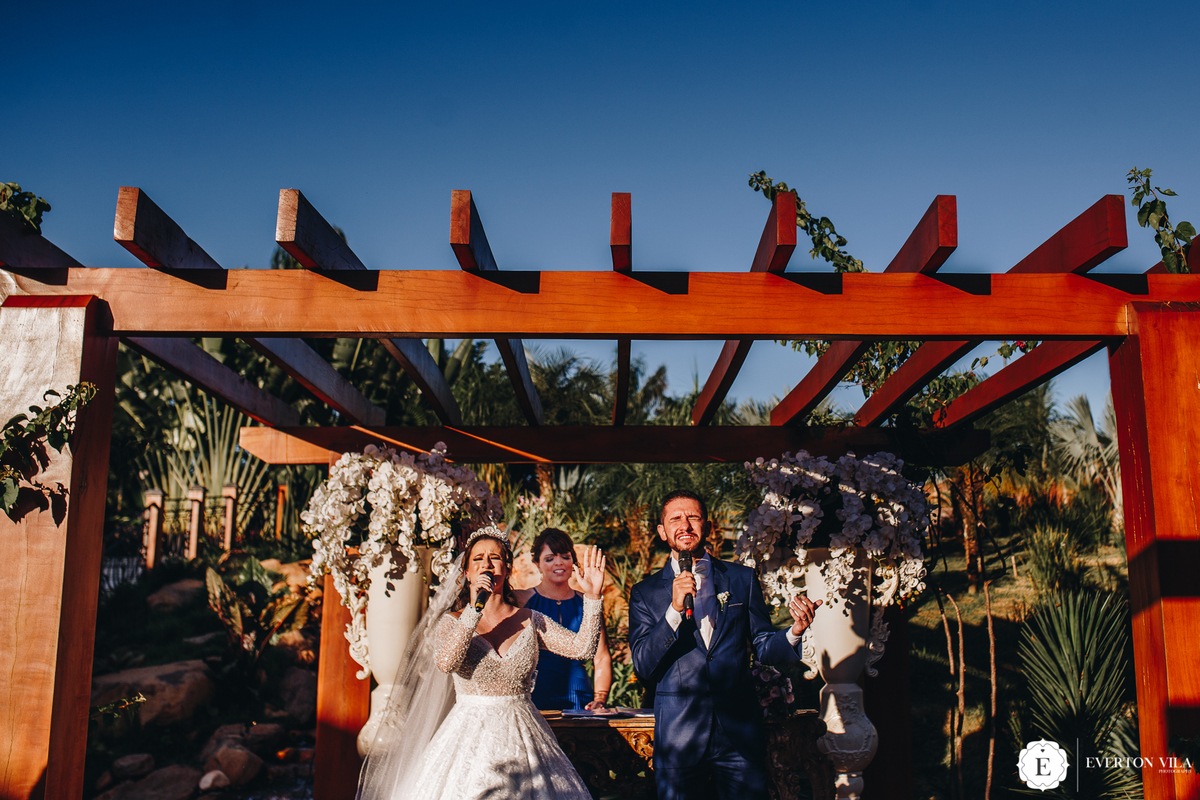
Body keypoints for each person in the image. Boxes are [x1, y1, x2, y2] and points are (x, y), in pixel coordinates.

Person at [357, 526, 607, 800]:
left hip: (523, 734)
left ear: (508, 568)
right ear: (466, 573)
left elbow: (583, 648)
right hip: (467, 740)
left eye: (495, 558)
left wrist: (593, 597)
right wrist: (475, 608)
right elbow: (446, 662)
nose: (487, 564)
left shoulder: (531, 619)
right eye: (478, 559)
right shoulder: (451, 621)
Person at [628, 490, 821, 800]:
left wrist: (795, 631)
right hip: (679, 735)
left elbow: (763, 646)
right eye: (675, 518)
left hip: (738, 733)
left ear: (709, 526)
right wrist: (674, 611)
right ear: (662, 531)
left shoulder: (741, 578)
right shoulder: (644, 593)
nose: (685, 525)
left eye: (693, 517)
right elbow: (643, 664)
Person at [515, 527, 613, 710]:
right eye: (550, 558)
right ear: (537, 564)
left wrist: (600, 698)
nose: (558, 563)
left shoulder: (589, 602)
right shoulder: (522, 600)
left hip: (580, 694)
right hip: (536, 693)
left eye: (565, 557)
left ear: (573, 562)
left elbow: (601, 657)